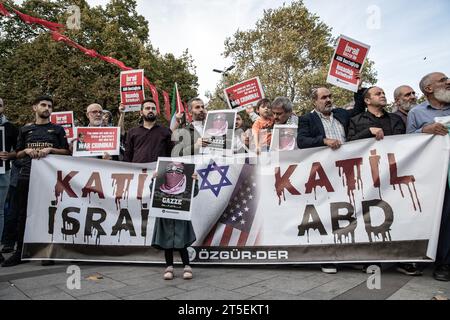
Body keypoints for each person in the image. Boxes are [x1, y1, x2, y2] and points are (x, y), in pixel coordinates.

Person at [2, 96, 70, 267]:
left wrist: (51, 149)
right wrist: (26, 150)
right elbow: (17, 154)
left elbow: (67, 152)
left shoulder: (57, 129)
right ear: (34, 108)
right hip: (27, 176)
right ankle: (20, 252)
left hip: (50, 179)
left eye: (50, 106)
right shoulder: (25, 130)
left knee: (49, 214)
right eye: (43, 105)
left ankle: (47, 250)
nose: (47, 108)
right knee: (22, 214)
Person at [407, 72, 450, 281]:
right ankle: (444, 264)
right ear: (429, 89)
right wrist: (425, 130)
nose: (448, 82)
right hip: (437, 175)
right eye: (443, 80)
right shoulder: (417, 113)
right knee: (445, 219)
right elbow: (406, 142)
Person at [151, 164, 199, 280]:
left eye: (178, 171)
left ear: (182, 175)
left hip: (180, 218)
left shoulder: (186, 189)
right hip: (165, 218)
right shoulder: (160, 189)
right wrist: (154, 180)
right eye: (169, 171)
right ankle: (169, 267)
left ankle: (187, 266)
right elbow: (152, 191)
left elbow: (194, 193)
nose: (173, 174)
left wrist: (195, 181)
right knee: (167, 244)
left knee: (182, 243)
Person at [297, 85, 366, 151]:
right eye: (324, 97)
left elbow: (358, 111)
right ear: (314, 102)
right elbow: (302, 141)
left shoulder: (341, 113)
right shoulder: (306, 119)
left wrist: (358, 88)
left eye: (330, 96)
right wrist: (324, 141)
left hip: (347, 159)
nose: (328, 100)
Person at [123, 99, 173, 163]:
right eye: (147, 108)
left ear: (156, 112)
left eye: (153, 108)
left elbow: (171, 154)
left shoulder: (166, 131)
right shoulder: (132, 132)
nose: (151, 110)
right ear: (141, 113)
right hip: (137, 171)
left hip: (158, 171)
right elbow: (127, 155)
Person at [0, 98, 19, 264]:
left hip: (3, 173)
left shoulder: (10, 128)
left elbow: (18, 150)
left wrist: (10, 155)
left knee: (0, 212)